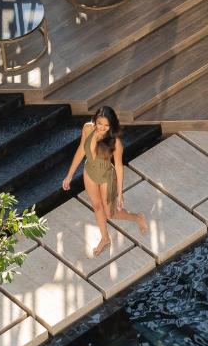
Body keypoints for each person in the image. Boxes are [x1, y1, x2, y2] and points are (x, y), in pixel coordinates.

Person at [62, 106, 147, 256]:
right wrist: (69, 175)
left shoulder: (115, 142)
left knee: (110, 213)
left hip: (107, 176)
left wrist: (120, 194)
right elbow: (82, 149)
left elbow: (119, 168)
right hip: (89, 173)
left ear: (111, 125)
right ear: (95, 120)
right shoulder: (87, 128)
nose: (102, 128)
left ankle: (137, 217)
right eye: (100, 123)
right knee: (96, 206)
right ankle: (105, 238)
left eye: (107, 125)